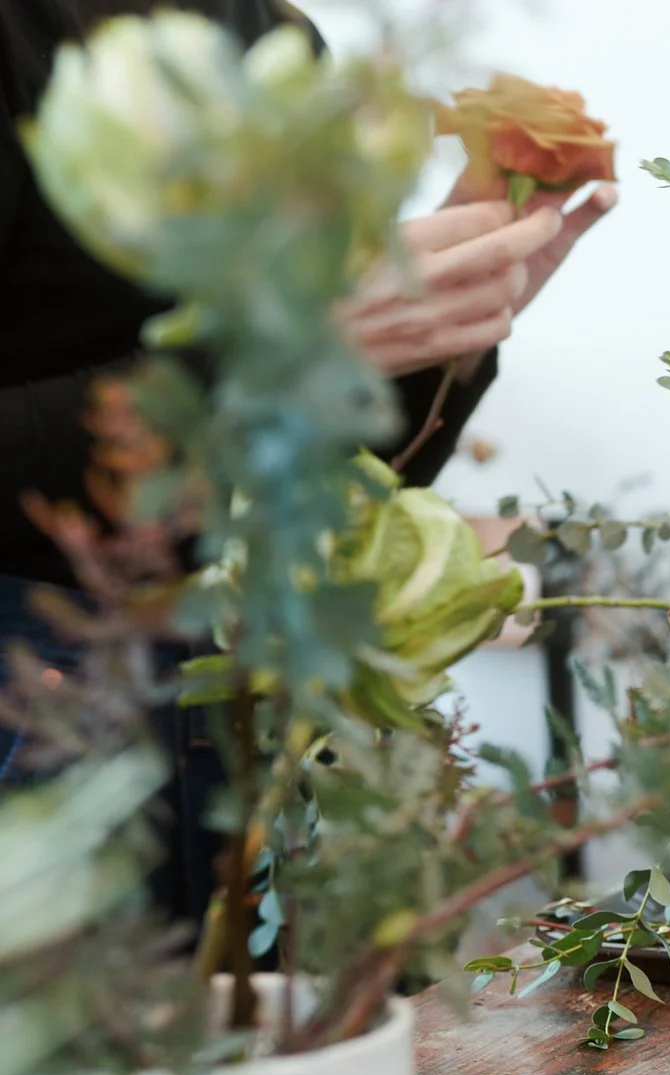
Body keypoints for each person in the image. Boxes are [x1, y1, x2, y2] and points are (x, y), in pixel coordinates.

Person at [0, 0, 614, 920]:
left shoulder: (270, 34)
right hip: (38, 730)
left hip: (227, 714)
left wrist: (443, 329)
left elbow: (338, 475)